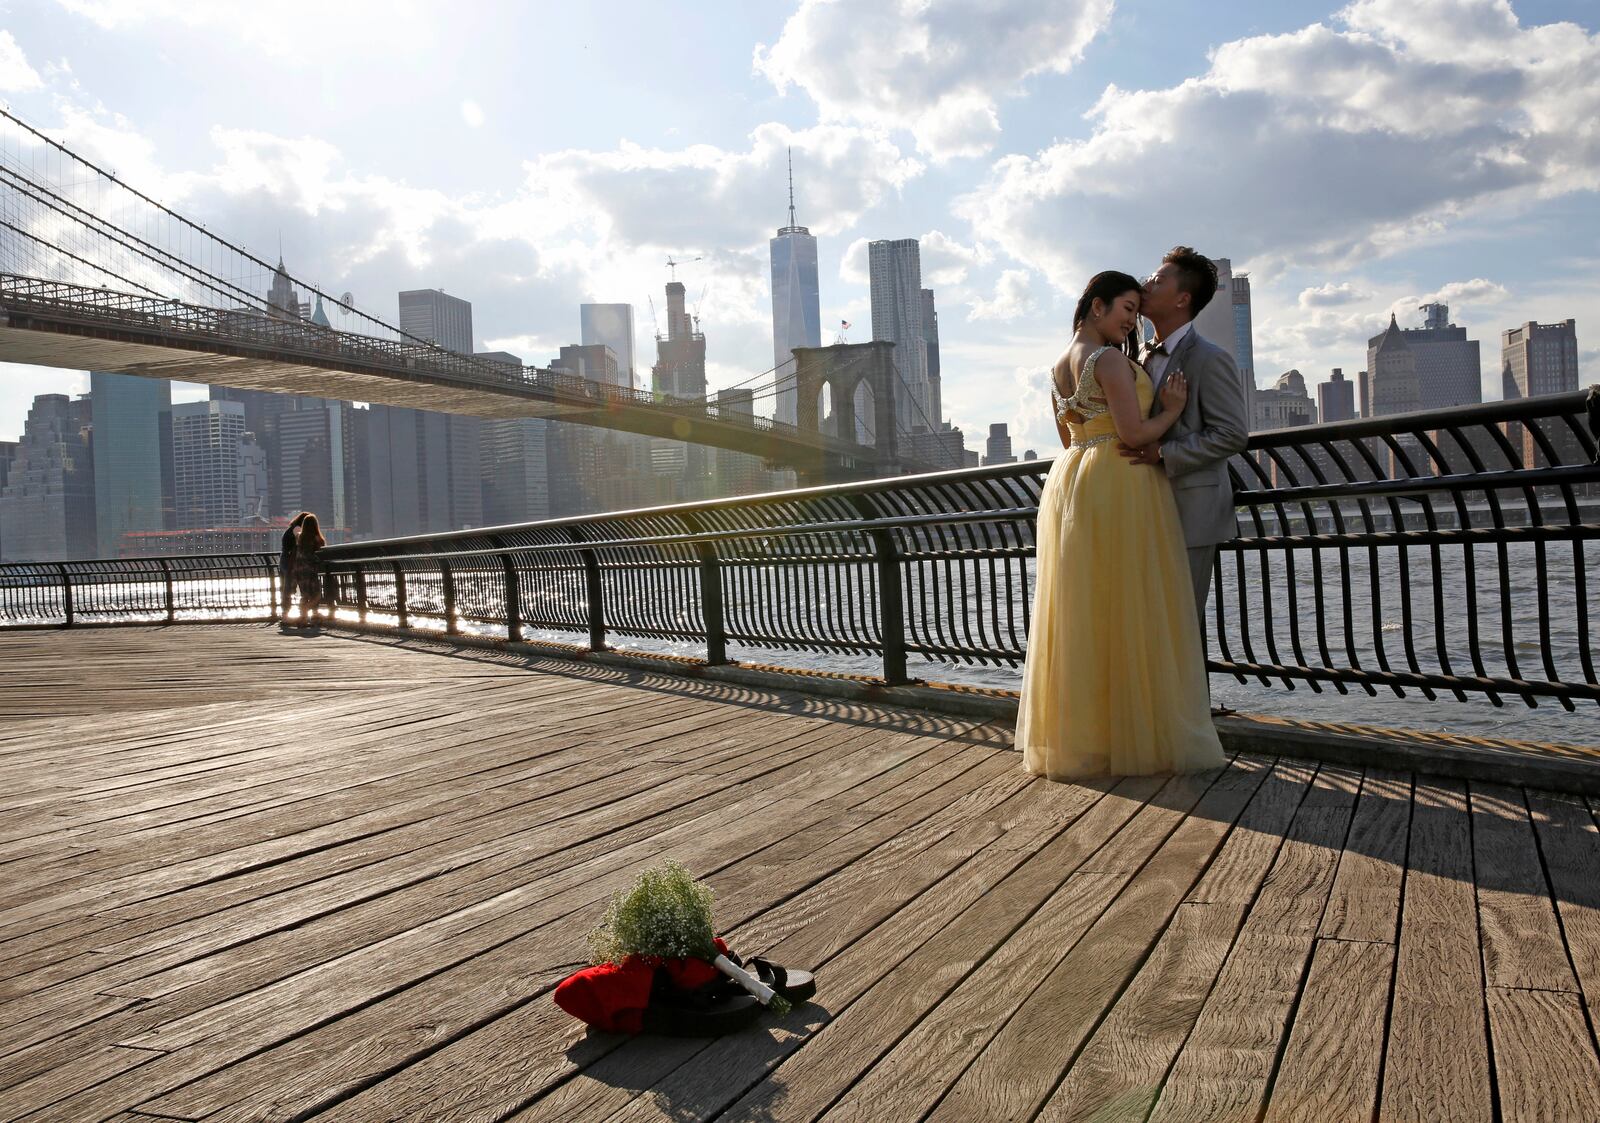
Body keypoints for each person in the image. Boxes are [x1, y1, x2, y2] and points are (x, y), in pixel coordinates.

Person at [1014, 270, 1225, 779]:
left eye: (1136, 309)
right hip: (1121, 478)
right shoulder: (1107, 359)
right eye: (1126, 309)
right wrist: (1172, 410)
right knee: (1132, 603)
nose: (1132, 319)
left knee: (1086, 609)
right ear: (1096, 308)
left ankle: (1089, 737)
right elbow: (1133, 433)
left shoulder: (1058, 366)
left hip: (1073, 481)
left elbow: (1069, 441)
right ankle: (1140, 733)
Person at [1118, 247, 1250, 643]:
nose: (1146, 284)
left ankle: (1189, 707)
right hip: (1146, 508)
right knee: (1147, 626)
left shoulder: (1210, 359)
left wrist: (1164, 453)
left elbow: (1231, 434)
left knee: (1181, 627)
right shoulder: (1138, 353)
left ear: (1182, 299)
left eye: (1158, 281)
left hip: (1191, 512)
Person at [290, 512, 326, 624]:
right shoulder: (316, 538)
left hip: (299, 569)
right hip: (310, 569)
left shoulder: (299, 537)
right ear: (315, 525)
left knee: (304, 594)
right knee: (316, 594)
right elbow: (322, 547)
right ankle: (308, 612)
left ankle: (304, 617)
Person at [280, 511, 309, 618]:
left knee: (287, 588)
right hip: (291, 562)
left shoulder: (291, 529)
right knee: (293, 588)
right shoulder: (297, 529)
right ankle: (300, 615)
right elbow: (299, 544)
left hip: (285, 560)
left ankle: (285, 614)